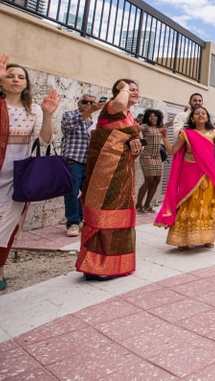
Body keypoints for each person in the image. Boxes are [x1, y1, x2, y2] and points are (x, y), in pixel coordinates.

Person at [0, 55, 60, 293]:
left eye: (21, 77)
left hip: (15, 179)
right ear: (0, 81)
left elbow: (45, 141)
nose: (16, 80)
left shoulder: (35, 111)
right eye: (10, 76)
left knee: (5, 228)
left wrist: (48, 115)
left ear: (27, 84)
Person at [75, 78, 143, 281]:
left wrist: (135, 146)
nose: (134, 92)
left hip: (123, 171)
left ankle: (115, 265)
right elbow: (120, 103)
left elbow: (126, 142)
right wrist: (122, 88)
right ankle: (95, 266)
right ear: (118, 92)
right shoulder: (111, 107)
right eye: (130, 89)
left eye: (136, 89)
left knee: (120, 215)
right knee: (103, 214)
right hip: (105, 172)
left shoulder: (130, 117)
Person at [154, 107, 215, 249]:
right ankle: (182, 239)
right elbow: (172, 151)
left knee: (206, 205)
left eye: (203, 113)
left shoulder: (214, 133)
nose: (200, 115)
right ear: (192, 118)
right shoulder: (186, 133)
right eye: (197, 114)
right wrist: (164, 137)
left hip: (208, 174)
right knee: (187, 203)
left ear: (207, 117)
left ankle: (207, 237)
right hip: (189, 173)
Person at [60, 93, 105, 237]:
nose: (88, 104)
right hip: (73, 160)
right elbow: (69, 125)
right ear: (78, 102)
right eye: (85, 102)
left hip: (91, 163)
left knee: (88, 194)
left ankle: (80, 218)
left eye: (92, 103)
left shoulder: (96, 120)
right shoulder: (70, 115)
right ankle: (72, 222)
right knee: (71, 193)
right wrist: (90, 111)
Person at [136, 109, 171, 213]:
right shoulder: (145, 127)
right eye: (150, 116)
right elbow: (136, 128)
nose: (153, 118)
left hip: (157, 156)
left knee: (157, 179)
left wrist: (184, 112)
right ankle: (138, 205)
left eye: (155, 116)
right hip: (147, 155)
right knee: (149, 180)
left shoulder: (160, 128)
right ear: (147, 117)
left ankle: (147, 205)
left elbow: (170, 123)